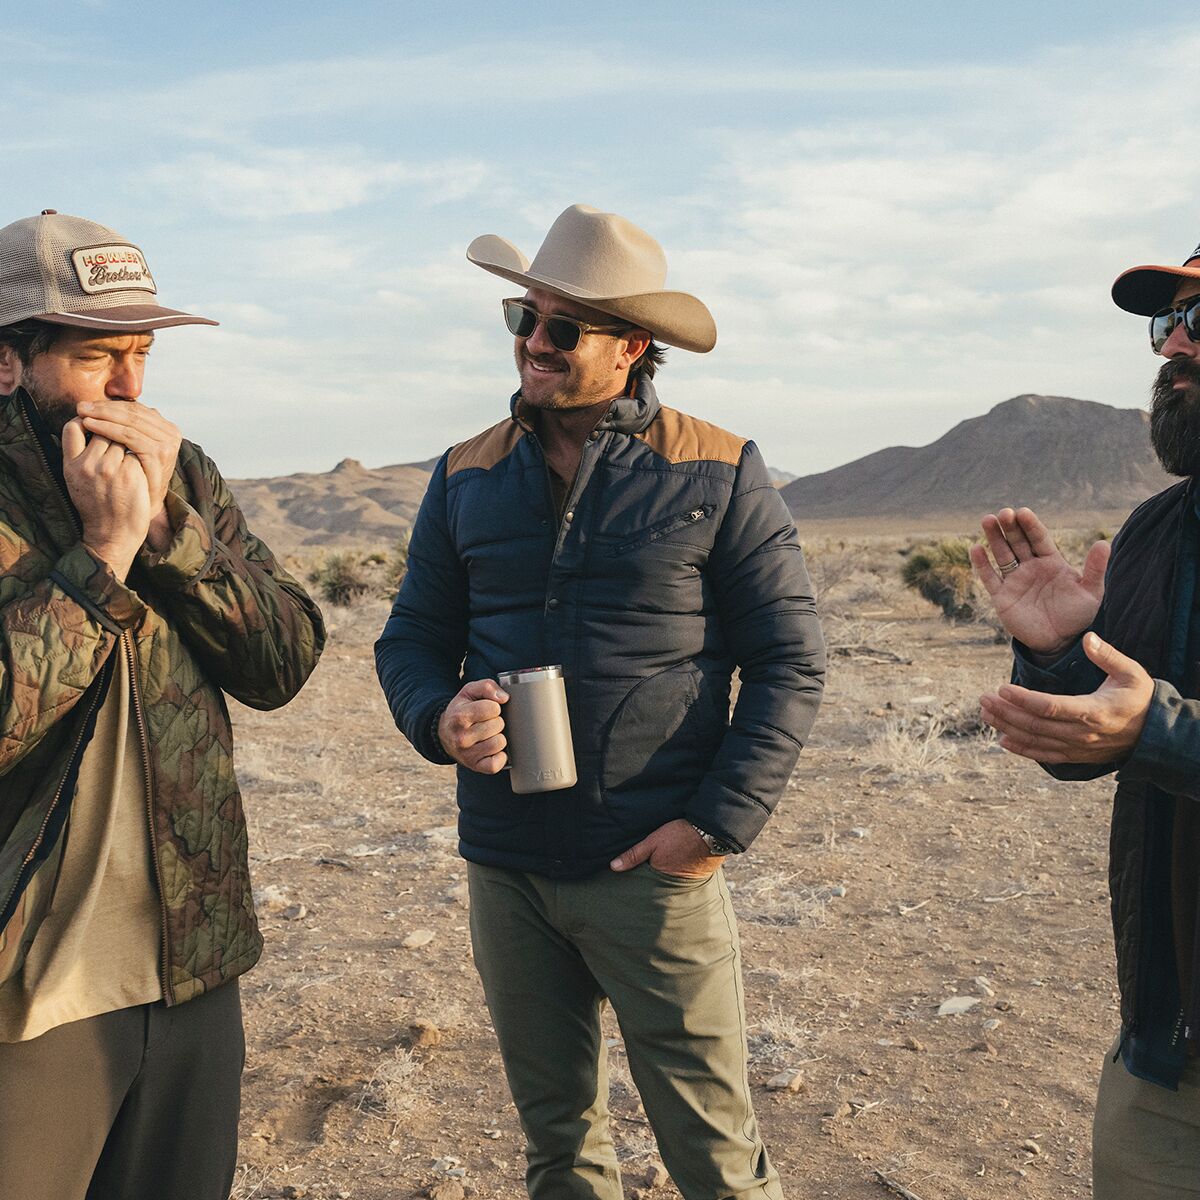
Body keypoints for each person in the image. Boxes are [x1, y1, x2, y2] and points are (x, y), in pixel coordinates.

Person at [376, 204, 825, 1199]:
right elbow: (410, 639)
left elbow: (791, 660)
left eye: (564, 327)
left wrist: (712, 827)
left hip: (653, 867)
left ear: (632, 346)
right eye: (524, 318)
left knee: (715, 1157)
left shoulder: (719, 468)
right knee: (559, 1149)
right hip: (508, 868)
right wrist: (438, 718)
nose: (535, 343)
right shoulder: (465, 473)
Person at [0, 210, 325, 1199]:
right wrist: (101, 555)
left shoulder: (181, 478)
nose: (132, 387)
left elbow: (282, 660)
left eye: (141, 353)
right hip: (27, 997)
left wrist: (167, 536)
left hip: (191, 969)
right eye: (98, 357)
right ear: (9, 363)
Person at [971, 241, 1200, 1198]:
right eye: (1167, 322)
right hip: (1170, 1046)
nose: (1173, 346)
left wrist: (1160, 731)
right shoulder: (1158, 529)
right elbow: (1101, 743)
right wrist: (1063, 657)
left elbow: (1155, 730)